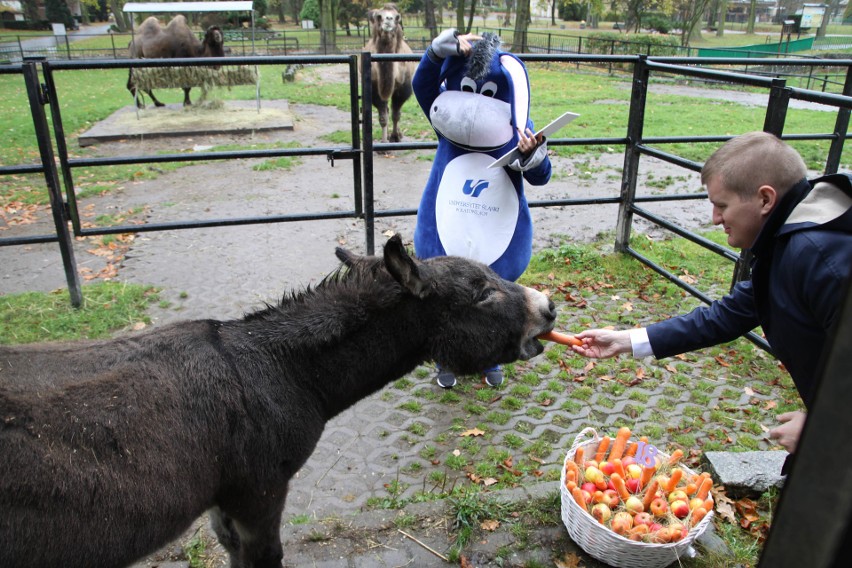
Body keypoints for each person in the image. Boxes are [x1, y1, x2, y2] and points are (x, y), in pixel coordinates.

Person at [572, 131, 852, 462]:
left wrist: (822, 427)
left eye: (722, 205)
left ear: (765, 199)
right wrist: (625, 341)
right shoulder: (788, 242)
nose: (715, 218)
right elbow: (726, 316)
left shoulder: (823, 261)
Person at [411, 29, 552, 389]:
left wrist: (533, 156)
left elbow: (541, 176)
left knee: (496, 301)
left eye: (487, 94)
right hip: (448, 224)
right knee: (445, 299)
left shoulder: (517, 128)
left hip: (496, 229)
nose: (474, 106)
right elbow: (424, 86)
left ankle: (491, 357)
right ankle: (446, 358)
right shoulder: (448, 123)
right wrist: (434, 54)